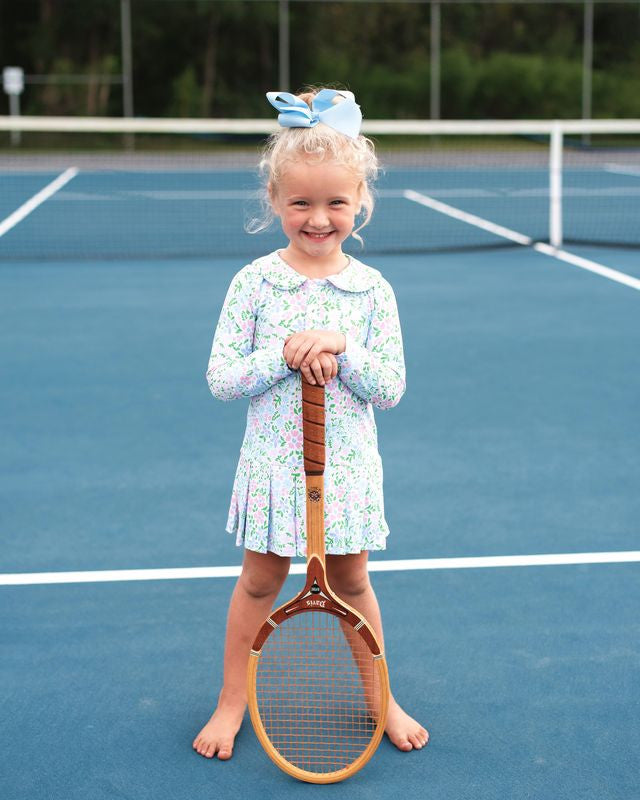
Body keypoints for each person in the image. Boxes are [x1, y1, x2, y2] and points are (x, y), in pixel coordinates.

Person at [193, 87, 429, 761]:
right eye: (301, 202)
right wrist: (285, 351)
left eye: (335, 203)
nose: (318, 218)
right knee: (259, 584)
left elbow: (389, 388)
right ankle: (231, 701)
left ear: (360, 204)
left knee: (353, 586)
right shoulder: (253, 284)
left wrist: (341, 346)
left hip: (346, 473)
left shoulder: (373, 291)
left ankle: (381, 698)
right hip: (273, 474)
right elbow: (221, 379)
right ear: (274, 200)